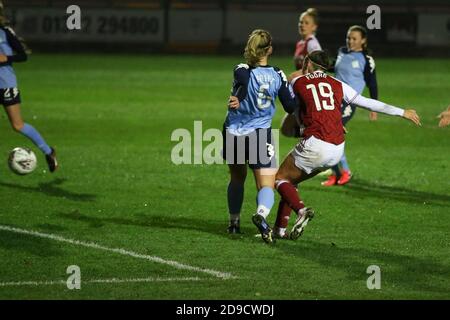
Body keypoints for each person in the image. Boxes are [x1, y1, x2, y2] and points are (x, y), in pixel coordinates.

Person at [273, 51, 421, 240]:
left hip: (316, 144)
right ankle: (279, 230)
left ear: (308, 63)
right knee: (290, 182)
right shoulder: (338, 84)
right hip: (336, 149)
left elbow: (292, 107)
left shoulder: (298, 81)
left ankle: (301, 210)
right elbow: (367, 103)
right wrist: (402, 112)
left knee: (278, 178)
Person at [223, 29, 297, 244]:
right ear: (270, 49)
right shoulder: (278, 74)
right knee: (266, 184)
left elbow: (244, 82)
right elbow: (290, 106)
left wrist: (238, 98)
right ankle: (262, 215)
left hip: (233, 133)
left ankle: (234, 223)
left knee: (237, 178)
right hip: (260, 134)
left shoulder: (241, 68)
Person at [0, 5, 58, 172]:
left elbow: (23, 55)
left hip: (5, 84)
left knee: (17, 125)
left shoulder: (5, 32)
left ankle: (48, 152)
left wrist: (6, 58)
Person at [322, 25, 378, 186]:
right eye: (348, 38)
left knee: (331, 132)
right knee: (325, 133)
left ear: (363, 40)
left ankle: (344, 171)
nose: (350, 41)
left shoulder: (366, 60)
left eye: (354, 38)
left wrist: (373, 108)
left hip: (348, 102)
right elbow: (334, 68)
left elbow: (373, 85)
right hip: (332, 99)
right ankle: (335, 173)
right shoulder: (342, 52)